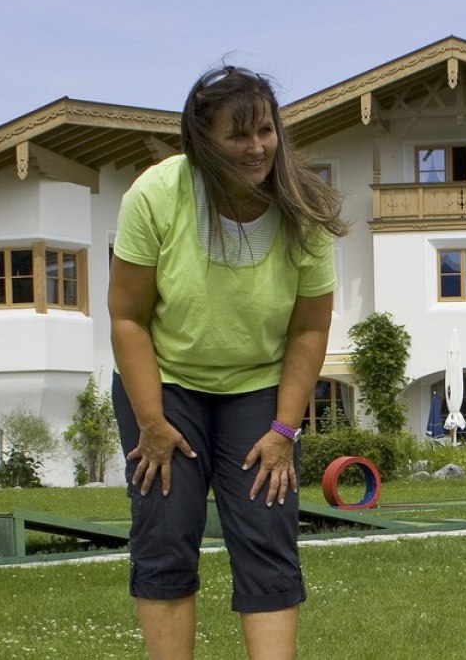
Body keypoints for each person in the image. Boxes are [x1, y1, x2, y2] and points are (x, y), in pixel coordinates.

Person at [108, 65, 347, 660]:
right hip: (164, 386)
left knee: (266, 535)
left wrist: (285, 430)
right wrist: (152, 424)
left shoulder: (303, 207)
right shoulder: (157, 195)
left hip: (259, 389)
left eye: (265, 129)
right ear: (201, 139)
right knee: (165, 535)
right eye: (238, 135)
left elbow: (309, 328)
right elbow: (128, 317)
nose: (257, 146)